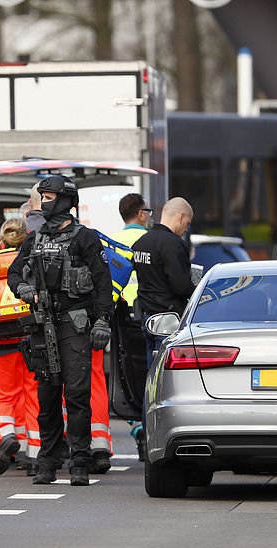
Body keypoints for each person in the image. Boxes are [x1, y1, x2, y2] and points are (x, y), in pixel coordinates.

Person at [8, 175, 113, 486]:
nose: (45, 202)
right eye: (43, 196)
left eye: (50, 196)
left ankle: (79, 460)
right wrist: (24, 289)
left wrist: (103, 320)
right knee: (47, 392)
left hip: (74, 322)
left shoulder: (86, 238)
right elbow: (15, 272)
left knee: (78, 394)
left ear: (67, 201)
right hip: (43, 323)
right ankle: (49, 462)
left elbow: (103, 284)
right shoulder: (35, 237)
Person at [0, 218, 42, 476]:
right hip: (31, 338)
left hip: (0, 341)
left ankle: (5, 436)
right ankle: (35, 454)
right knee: (33, 395)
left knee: (3, 395)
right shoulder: (32, 260)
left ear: (1, 240)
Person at [109, 193, 153, 460]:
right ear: (140, 214)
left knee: (123, 374)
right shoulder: (148, 241)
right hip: (148, 313)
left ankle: (137, 427)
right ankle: (148, 426)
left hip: (120, 316)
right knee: (149, 373)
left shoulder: (113, 242)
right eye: (147, 211)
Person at [131, 197, 195, 368]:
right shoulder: (173, 244)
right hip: (168, 321)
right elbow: (180, 286)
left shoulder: (140, 243)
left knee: (151, 376)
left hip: (147, 318)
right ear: (181, 217)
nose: (185, 228)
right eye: (187, 223)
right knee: (164, 379)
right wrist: (197, 291)